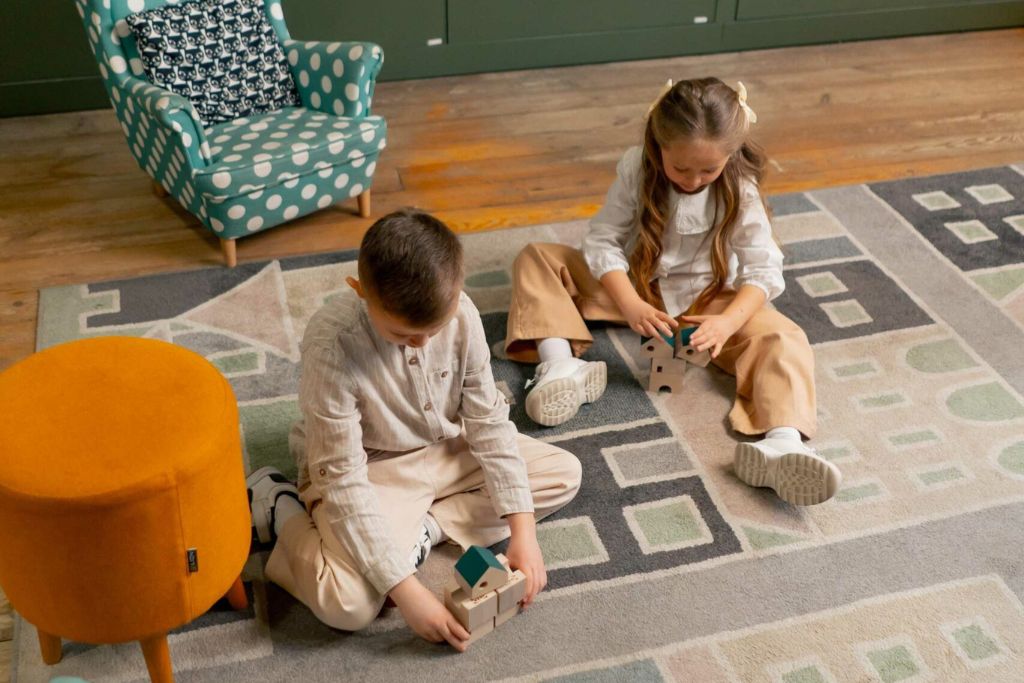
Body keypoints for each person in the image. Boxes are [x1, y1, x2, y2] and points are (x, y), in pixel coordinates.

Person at [248, 209, 582, 650]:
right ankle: (279, 505)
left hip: (448, 449)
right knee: (347, 605)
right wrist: (407, 591)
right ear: (360, 292)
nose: (423, 344)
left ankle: (427, 528)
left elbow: (488, 423)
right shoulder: (332, 346)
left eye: (434, 329)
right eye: (405, 334)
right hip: (371, 469)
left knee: (564, 473)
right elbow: (344, 480)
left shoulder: (461, 311)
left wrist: (524, 532)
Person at [504, 77, 841, 506]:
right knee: (537, 257)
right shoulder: (635, 166)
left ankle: (783, 441)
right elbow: (603, 239)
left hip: (710, 299)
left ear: (730, 155)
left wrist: (727, 323)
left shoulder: (740, 186)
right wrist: (628, 302)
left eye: (708, 170)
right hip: (637, 286)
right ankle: (559, 365)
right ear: (657, 145)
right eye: (680, 168)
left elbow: (764, 269)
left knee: (784, 337)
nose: (692, 179)